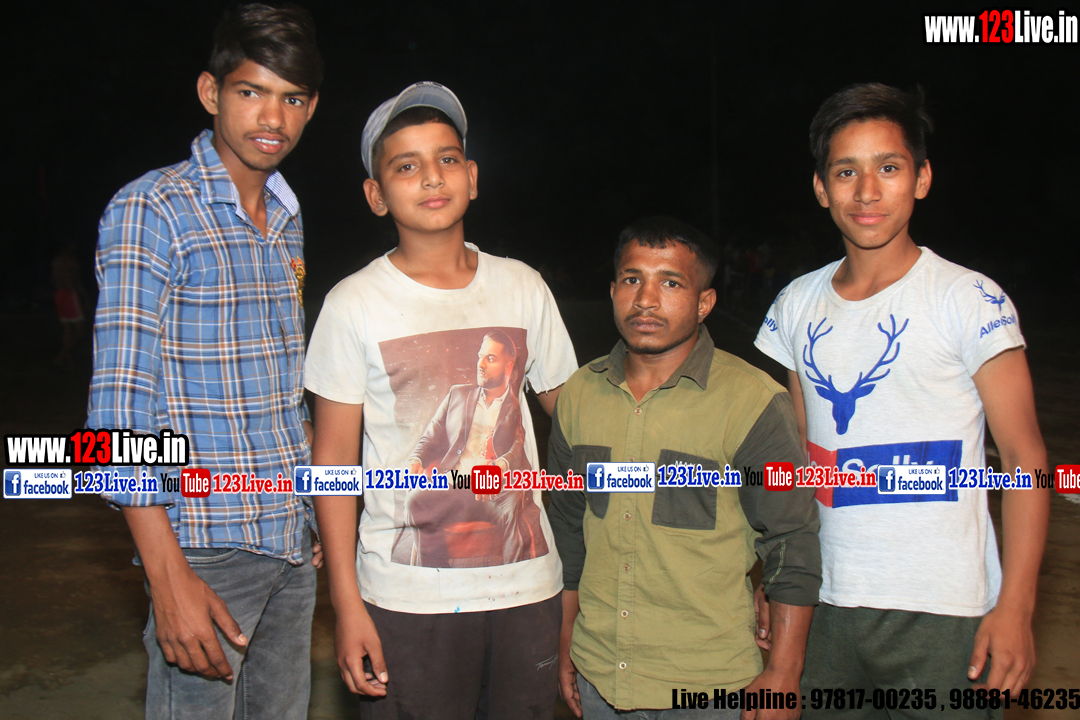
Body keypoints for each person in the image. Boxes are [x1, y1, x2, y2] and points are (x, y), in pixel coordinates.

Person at [754, 83, 1049, 717]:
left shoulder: (970, 300)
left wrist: (1017, 606)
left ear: (921, 178)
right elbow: (800, 465)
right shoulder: (796, 305)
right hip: (827, 603)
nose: (866, 191)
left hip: (944, 610)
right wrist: (782, 582)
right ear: (820, 187)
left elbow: (1025, 458)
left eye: (888, 168)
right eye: (846, 171)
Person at [304, 81, 578, 719]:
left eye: (447, 158)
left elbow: (577, 416)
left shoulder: (523, 287)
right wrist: (346, 604)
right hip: (407, 596)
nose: (432, 176)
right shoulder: (353, 304)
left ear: (472, 177)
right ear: (376, 195)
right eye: (406, 166)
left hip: (525, 585)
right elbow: (333, 462)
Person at [86, 5, 322, 719]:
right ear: (210, 92)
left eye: (292, 98)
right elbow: (115, 418)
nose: (272, 117)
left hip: (289, 541)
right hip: (203, 548)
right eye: (251, 92)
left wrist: (309, 512)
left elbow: (281, 389)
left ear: (312, 108)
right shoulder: (152, 209)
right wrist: (168, 579)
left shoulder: (286, 218)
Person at [548, 216, 821, 720]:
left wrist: (784, 671)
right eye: (632, 279)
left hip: (709, 688)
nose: (646, 300)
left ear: (704, 302)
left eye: (670, 283)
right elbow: (567, 530)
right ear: (613, 291)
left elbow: (791, 538)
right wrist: (566, 641)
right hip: (597, 674)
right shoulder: (579, 395)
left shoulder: (752, 401)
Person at [394, 329, 547, 568]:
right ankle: (436, 574)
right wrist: (416, 460)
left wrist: (500, 466)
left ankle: (509, 578)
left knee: (514, 514)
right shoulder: (457, 395)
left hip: (497, 491)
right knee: (415, 500)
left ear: (508, 367)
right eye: (480, 356)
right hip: (455, 484)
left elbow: (517, 447)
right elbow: (430, 437)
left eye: (490, 358)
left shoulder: (514, 405)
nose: (481, 364)